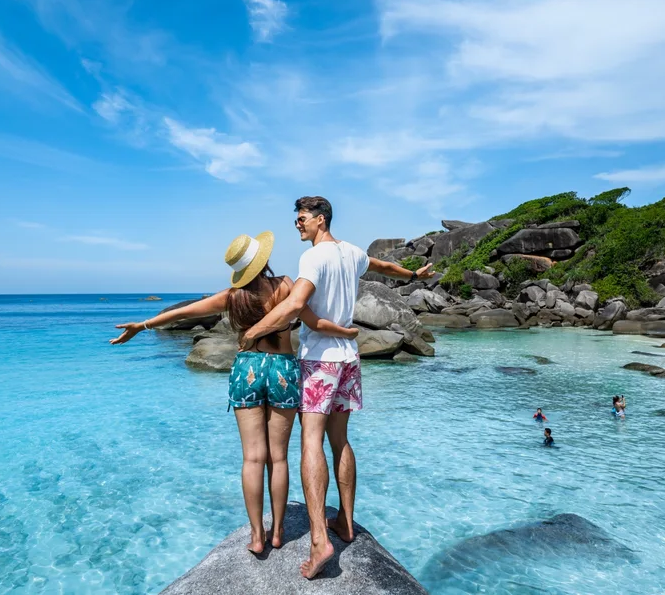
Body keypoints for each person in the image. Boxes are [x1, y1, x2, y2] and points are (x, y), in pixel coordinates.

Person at [110, 232, 358, 555]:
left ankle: (257, 535)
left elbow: (186, 312)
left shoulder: (232, 297)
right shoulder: (284, 286)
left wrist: (142, 326)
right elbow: (312, 319)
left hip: (247, 370)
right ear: (263, 260)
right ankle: (279, 531)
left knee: (253, 457)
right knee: (278, 456)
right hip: (282, 369)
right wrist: (346, 332)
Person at [239, 196, 437, 579]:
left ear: (320, 220)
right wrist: (414, 276)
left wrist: (254, 332)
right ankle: (345, 521)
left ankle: (318, 541)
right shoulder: (353, 253)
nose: (297, 224)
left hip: (320, 360)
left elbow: (297, 305)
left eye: (301, 219)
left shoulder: (314, 257)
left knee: (310, 442)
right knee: (340, 441)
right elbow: (382, 266)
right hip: (348, 358)